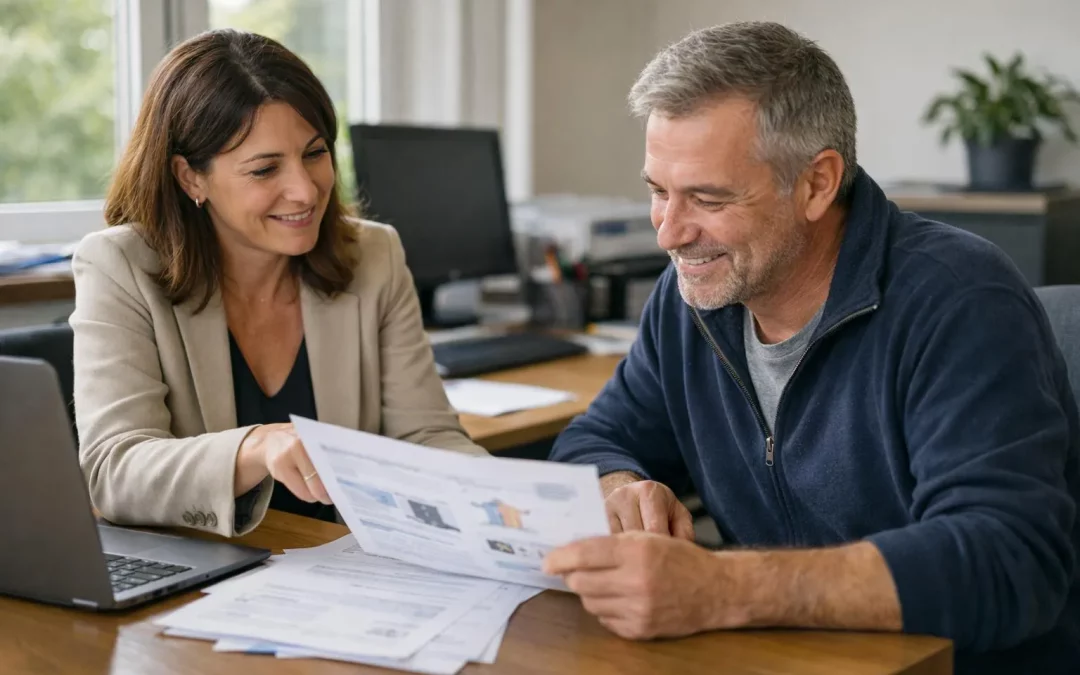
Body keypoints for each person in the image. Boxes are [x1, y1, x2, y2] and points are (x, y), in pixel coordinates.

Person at [543, 21, 1080, 674]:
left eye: (707, 198)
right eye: (659, 191)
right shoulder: (688, 297)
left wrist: (721, 587)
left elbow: (1008, 560)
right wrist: (617, 485)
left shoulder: (959, 298)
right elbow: (595, 437)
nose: (669, 233)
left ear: (817, 183)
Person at [71, 29, 486, 538]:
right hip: (207, 581)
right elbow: (115, 472)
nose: (305, 190)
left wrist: (508, 503)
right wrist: (255, 447)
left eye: (314, 153)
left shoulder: (373, 255)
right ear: (190, 178)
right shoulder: (119, 265)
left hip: (350, 571)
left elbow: (426, 434)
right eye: (265, 169)